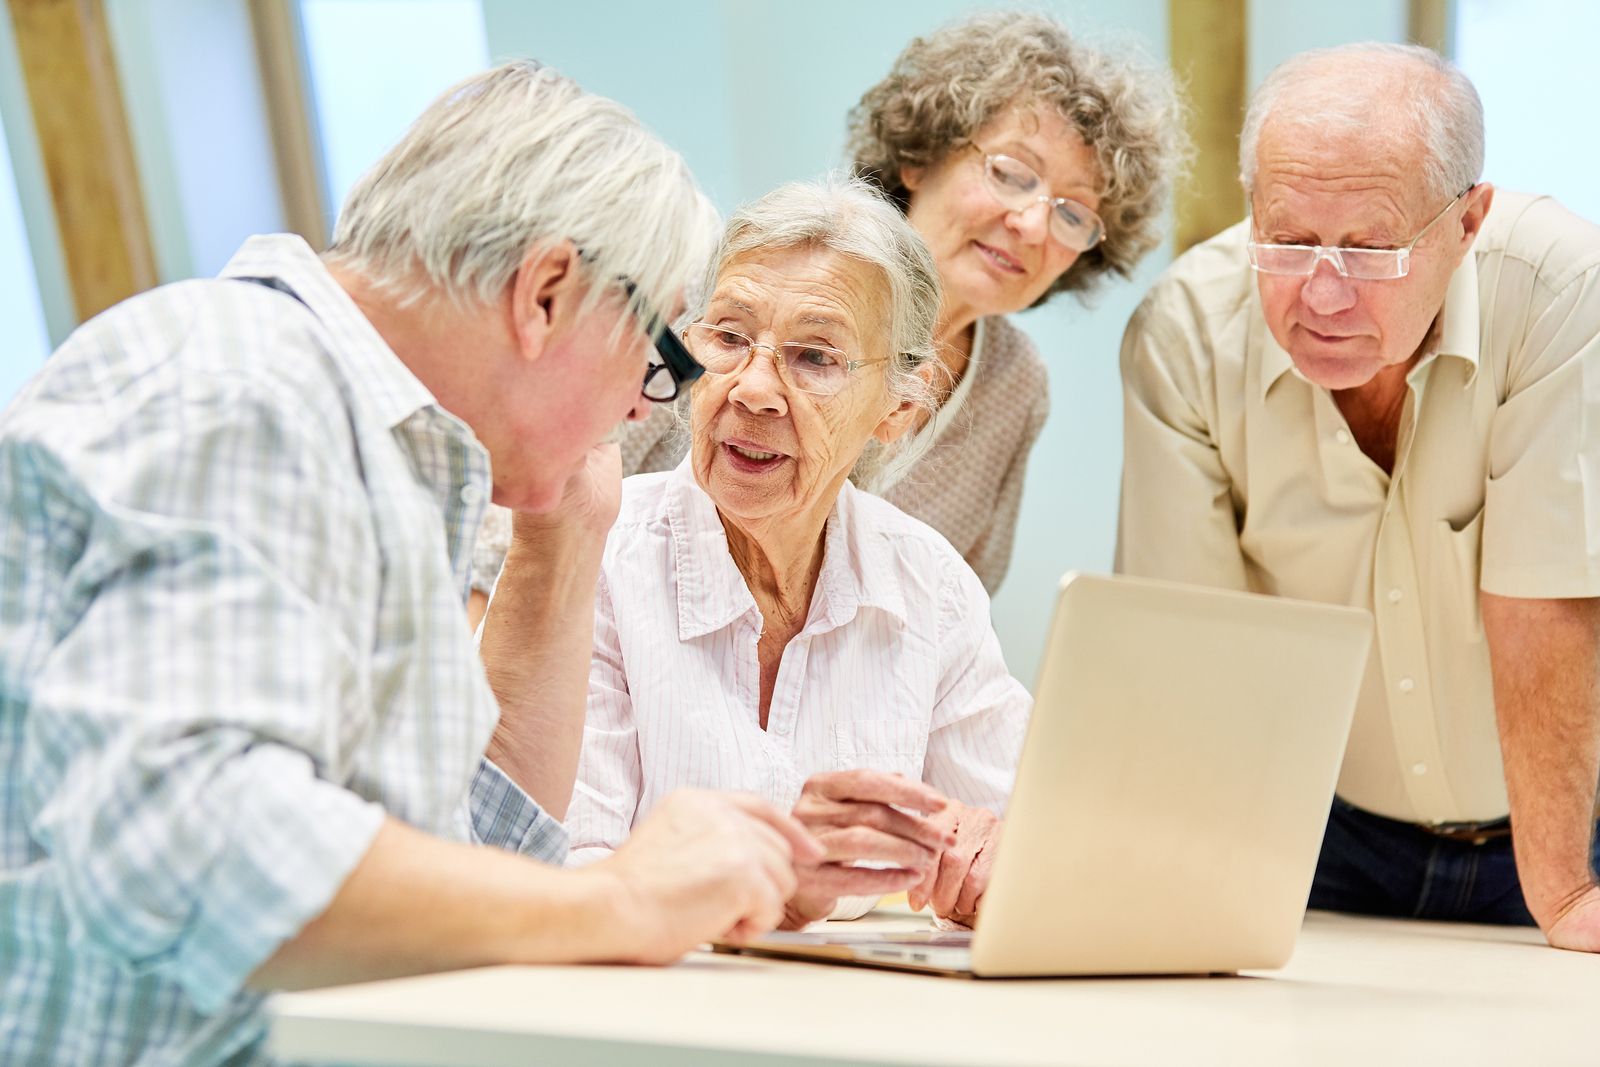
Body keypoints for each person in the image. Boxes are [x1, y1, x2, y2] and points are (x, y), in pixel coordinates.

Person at [0, 62, 824, 1067]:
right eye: (659, 354)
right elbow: (195, 839)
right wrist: (618, 898)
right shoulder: (247, 390)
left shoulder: (392, 448)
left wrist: (566, 539)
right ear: (546, 294)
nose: (642, 404)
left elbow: (466, 861)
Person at [1116, 42, 1600, 952]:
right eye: (1290, 241)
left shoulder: (1563, 290)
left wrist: (1567, 892)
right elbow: (1191, 646)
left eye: (1372, 250)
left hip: (1568, 828)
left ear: (1468, 222)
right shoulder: (1186, 331)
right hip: (1314, 827)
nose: (1324, 295)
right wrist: (1190, 901)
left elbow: (1545, 600)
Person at [467, 11, 1183, 618]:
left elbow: (949, 607)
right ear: (921, 157)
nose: (1032, 223)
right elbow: (529, 515)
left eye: (1073, 212)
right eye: (1011, 173)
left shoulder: (1014, 384)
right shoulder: (722, 296)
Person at [564, 177, 1033, 929]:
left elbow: (1036, 842)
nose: (753, 390)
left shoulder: (930, 586)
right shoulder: (598, 556)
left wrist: (999, 860)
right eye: (728, 337)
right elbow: (562, 878)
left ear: (898, 408)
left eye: (815, 356)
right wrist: (779, 884)